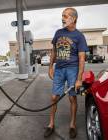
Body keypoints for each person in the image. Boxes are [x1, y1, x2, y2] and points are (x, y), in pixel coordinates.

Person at [44, 7, 89, 138]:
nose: (62, 18)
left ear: (73, 18)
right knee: (54, 97)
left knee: (72, 97)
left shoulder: (79, 36)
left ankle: (72, 125)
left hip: (72, 69)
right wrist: (50, 67)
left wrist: (79, 78)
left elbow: (82, 58)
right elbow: (54, 51)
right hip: (59, 69)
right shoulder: (58, 32)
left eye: (65, 16)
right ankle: (51, 124)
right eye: (62, 15)